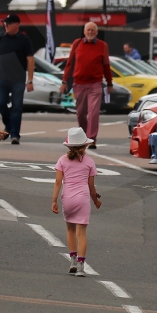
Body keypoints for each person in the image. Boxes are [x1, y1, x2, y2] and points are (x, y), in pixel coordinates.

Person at [51, 127, 102, 277]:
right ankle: (81, 266)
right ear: (85, 145)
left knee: (70, 230)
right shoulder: (89, 162)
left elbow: (58, 182)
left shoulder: (62, 160)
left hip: (67, 198)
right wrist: (96, 201)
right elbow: (91, 187)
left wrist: (54, 201)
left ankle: (72, 260)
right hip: (83, 199)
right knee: (82, 234)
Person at [0, 14, 35, 146]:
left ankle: (14, 135)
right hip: (2, 78)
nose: (5, 26)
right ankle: (8, 124)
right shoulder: (1, 37)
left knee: (17, 107)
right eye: (4, 23)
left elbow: (30, 60)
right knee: (0, 103)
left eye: (8, 23)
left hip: (18, 80)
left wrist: (30, 80)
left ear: (16, 25)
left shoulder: (24, 39)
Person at [61, 22, 112, 149]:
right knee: (81, 113)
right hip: (79, 84)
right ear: (84, 32)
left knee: (94, 112)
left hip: (95, 84)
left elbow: (106, 66)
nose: (90, 32)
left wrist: (109, 83)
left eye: (93, 30)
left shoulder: (102, 46)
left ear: (97, 32)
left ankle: (92, 139)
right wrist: (64, 81)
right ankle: (83, 136)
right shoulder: (77, 44)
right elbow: (69, 64)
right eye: (88, 30)